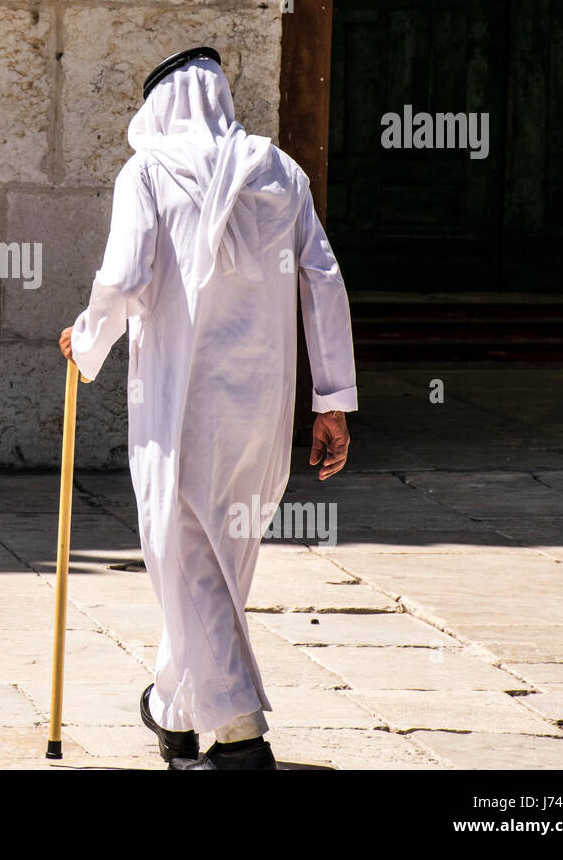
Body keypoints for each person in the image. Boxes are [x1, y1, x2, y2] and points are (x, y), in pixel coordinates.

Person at [58, 50, 356, 771]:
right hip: (262, 412)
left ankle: (242, 734)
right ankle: (172, 707)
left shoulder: (148, 173)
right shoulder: (281, 173)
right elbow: (324, 277)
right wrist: (332, 401)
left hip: (181, 408)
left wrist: (86, 339)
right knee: (213, 566)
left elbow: (124, 277)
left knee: (187, 558)